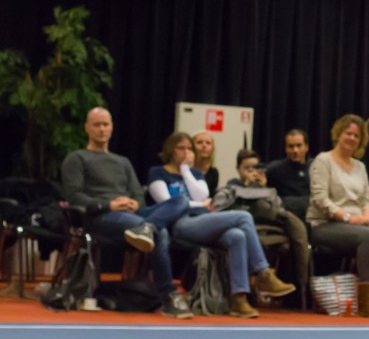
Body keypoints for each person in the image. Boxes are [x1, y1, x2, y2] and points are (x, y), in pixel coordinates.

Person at [61, 107, 192, 318]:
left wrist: (134, 203)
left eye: (106, 124)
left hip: (132, 215)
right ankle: (168, 295)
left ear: (112, 127)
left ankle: (147, 226)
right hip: (100, 216)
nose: (102, 129)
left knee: (181, 200)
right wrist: (109, 204)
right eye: (97, 124)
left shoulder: (122, 161)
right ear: (87, 128)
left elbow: (138, 195)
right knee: (161, 232)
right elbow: (74, 196)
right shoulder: (77, 158)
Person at [148, 132, 295, 318]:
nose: (186, 152)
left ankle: (239, 299)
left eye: (189, 149)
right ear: (170, 150)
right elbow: (166, 202)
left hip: (203, 220)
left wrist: (185, 170)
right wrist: (196, 203)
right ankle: (262, 273)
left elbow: (202, 196)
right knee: (243, 217)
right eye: (181, 148)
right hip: (179, 223)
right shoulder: (158, 172)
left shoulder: (195, 173)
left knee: (237, 236)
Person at [307, 114, 369, 319]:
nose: (352, 138)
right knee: (368, 236)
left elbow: (366, 198)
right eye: (348, 133)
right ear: (338, 134)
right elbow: (319, 198)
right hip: (324, 224)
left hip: (357, 223)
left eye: (356, 136)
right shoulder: (323, 160)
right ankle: (367, 301)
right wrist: (347, 217)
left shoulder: (360, 166)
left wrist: (367, 214)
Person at [214, 149, 311, 304]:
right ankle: (253, 284)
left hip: (270, 233)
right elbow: (218, 211)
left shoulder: (269, 191)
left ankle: (301, 289)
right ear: (238, 169)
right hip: (243, 232)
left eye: (256, 168)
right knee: (240, 238)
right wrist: (246, 188)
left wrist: (263, 189)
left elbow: (278, 210)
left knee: (293, 238)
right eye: (247, 168)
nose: (252, 172)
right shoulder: (228, 189)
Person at [265, 129, 313, 221]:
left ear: (306, 147)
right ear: (285, 149)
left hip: (313, 217)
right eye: (291, 146)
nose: (295, 150)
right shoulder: (274, 169)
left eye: (299, 146)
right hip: (287, 218)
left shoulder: (316, 167)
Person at [191, 131, 219, 196]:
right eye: (199, 142)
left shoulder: (213, 172)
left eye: (208, 143)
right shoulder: (185, 169)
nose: (204, 145)